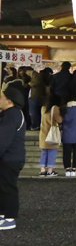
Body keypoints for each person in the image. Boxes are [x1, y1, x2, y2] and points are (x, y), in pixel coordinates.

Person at [0, 85, 28, 231]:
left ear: (10, 101)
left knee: (7, 187)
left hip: (9, 158)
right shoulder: (14, 113)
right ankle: (3, 214)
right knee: (4, 186)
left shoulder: (11, 115)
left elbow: (3, 139)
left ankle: (9, 218)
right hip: (12, 157)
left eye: (1, 98)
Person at [38, 95, 64, 176]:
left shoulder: (43, 108)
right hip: (52, 134)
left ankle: (42, 170)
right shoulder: (55, 108)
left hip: (43, 133)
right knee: (52, 153)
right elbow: (59, 120)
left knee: (44, 152)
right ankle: (50, 170)